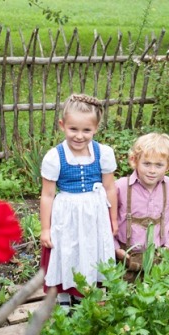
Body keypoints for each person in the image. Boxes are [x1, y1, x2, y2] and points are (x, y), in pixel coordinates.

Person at [39, 94, 118, 309]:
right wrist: (45, 229)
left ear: (96, 128)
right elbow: (47, 195)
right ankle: (64, 293)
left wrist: (113, 219)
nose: (79, 136)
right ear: (62, 125)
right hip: (67, 212)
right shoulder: (55, 157)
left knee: (89, 249)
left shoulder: (103, 153)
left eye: (86, 130)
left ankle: (85, 291)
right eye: (73, 129)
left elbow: (110, 188)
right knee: (67, 249)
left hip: (95, 213)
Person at [114, 132, 169, 272]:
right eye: (146, 164)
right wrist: (115, 248)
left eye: (159, 165)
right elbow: (107, 221)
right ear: (135, 161)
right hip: (125, 257)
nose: (152, 171)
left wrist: (168, 245)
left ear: (168, 165)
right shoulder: (121, 187)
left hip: (157, 255)